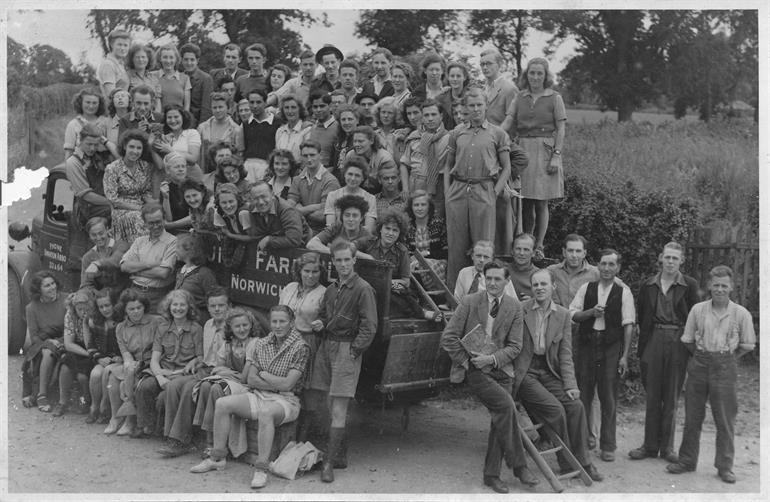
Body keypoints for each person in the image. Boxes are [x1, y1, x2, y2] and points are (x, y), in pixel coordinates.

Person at [441, 261, 539, 493]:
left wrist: (492, 360)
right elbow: (449, 338)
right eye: (489, 279)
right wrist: (467, 363)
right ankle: (519, 465)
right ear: (484, 280)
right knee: (506, 406)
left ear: (507, 281)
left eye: (498, 279)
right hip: (476, 370)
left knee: (500, 416)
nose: (493, 283)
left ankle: (491, 475)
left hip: (501, 370)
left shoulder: (515, 307)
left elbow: (515, 346)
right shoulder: (469, 302)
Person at [190, 305, 309, 490]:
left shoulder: (300, 347)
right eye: (274, 321)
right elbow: (251, 379)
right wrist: (272, 381)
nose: (277, 326)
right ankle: (217, 457)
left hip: (286, 400)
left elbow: (288, 385)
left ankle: (261, 469)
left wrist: (267, 376)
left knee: (266, 412)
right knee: (222, 403)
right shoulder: (263, 343)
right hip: (259, 394)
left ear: (291, 323)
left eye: (282, 321)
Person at [666, 266, 756, 484]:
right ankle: (687, 460)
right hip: (699, 364)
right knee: (692, 416)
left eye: (724, 285)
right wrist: (701, 356)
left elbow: (747, 344)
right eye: (716, 285)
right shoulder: (698, 310)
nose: (720, 289)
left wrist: (728, 359)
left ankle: (725, 466)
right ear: (709, 286)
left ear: (731, 287)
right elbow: (687, 340)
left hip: (726, 366)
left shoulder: (740, 313)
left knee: (725, 419)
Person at [513, 269, 604, 481]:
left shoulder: (562, 315)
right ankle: (567, 464)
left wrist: (571, 385)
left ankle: (584, 462)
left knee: (576, 406)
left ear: (553, 286)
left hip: (548, 370)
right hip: (526, 373)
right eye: (535, 285)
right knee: (555, 411)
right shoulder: (520, 310)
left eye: (544, 284)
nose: (539, 288)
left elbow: (565, 355)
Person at [308, 240, 377, 483]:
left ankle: (329, 463)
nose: (344, 264)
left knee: (338, 409)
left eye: (348, 259)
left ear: (354, 260)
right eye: (339, 260)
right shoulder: (331, 289)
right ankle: (340, 455)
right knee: (327, 403)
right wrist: (321, 324)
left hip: (346, 350)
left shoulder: (363, 288)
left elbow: (369, 327)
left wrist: (353, 351)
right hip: (327, 346)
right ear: (333, 262)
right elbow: (326, 316)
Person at [629, 242, 699, 464]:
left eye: (675, 259)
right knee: (653, 395)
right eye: (667, 258)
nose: (670, 262)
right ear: (660, 258)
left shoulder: (689, 285)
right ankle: (649, 446)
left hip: (678, 340)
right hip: (654, 340)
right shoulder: (648, 285)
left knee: (670, 395)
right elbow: (642, 316)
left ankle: (667, 448)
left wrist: (690, 346)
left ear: (681, 261)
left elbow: (694, 317)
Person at [569, 248, 636, 463]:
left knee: (608, 397)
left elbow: (628, 325)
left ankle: (608, 444)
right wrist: (591, 313)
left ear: (618, 268)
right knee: (584, 395)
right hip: (588, 345)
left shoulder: (623, 291)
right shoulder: (586, 288)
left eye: (611, 264)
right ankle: (584, 439)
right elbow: (572, 315)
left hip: (610, 347)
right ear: (598, 265)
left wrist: (624, 356)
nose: (607, 268)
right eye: (603, 264)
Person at [443, 87, 512, 290]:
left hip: (484, 190)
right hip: (458, 190)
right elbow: (447, 165)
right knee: (456, 245)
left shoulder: (497, 134)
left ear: (486, 105)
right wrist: (448, 192)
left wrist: (494, 192)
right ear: (465, 108)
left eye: (479, 105)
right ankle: (455, 294)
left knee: (483, 245)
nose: (475, 109)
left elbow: (506, 167)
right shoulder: (457, 132)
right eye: (471, 106)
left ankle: (486, 292)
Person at [503, 58, 566, 260]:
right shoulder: (520, 97)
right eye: (532, 73)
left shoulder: (554, 98)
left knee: (541, 201)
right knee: (525, 201)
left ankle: (539, 245)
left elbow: (562, 128)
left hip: (545, 151)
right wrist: (489, 133)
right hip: (523, 149)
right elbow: (508, 121)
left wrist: (556, 155)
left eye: (540, 73)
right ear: (526, 75)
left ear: (545, 76)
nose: (536, 77)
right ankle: (526, 242)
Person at [140, 290, 203, 453]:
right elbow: (154, 359)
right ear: (169, 307)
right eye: (175, 305)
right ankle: (148, 427)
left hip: (183, 373)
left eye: (183, 305)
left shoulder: (196, 329)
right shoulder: (162, 328)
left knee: (165, 396)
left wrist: (194, 361)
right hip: (164, 371)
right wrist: (160, 376)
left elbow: (201, 357)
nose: (178, 308)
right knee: (145, 386)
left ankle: (172, 438)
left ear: (189, 307)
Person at [193, 306, 260, 456]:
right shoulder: (228, 344)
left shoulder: (254, 343)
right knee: (205, 385)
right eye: (237, 326)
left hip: (247, 387)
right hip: (231, 383)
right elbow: (217, 369)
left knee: (217, 388)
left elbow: (245, 378)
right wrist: (230, 373)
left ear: (251, 325)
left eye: (245, 325)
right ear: (230, 327)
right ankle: (209, 439)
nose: (242, 329)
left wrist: (228, 372)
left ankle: (217, 445)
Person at [280, 252, 327, 442]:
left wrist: (322, 323)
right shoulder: (290, 287)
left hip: (308, 343)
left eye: (315, 272)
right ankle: (283, 436)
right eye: (306, 271)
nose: (310, 275)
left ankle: (302, 439)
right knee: (285, 387)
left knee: (307, 390)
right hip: (286, 341)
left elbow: (327, 318)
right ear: (299, 271)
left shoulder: (324, 292)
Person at [103, 289, 161, 436]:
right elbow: (125, 352)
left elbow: (158, 348)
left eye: (139, 308)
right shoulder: (121, 328)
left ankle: (129, 421)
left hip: (151, 363)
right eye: (131, 309)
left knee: (129, 378)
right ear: (125, 309)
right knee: (113, 377)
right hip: (133, 362)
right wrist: (129, 363)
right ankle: (115, 418)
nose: (135, 312)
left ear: (144, 307)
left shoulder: (156, 322)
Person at [364, 208, 439, 321]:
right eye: (387, 228)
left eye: (395, 230)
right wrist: (367, 257)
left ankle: (418, 311)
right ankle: (421, 312)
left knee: (400, 292)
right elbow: (350, 250)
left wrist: (388, 283)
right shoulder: (368, 244)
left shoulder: (402, 251)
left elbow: (406, 281)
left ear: (399, 233)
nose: (390, 233)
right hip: (368, 285)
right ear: (380, 229)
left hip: (391, 286)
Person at [21, 272, 67, 412]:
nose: (52, 287)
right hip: (43, 343)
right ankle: (41, 395)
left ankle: (40, 395)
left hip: (65, 340)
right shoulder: (31, 308)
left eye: (53, 283)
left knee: (48, 351)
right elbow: (34, 336)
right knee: (46, 352)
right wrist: (49, 342)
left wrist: (58, 341)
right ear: (38, 289)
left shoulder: (66, 300)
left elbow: (71, 329)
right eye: (47, 285)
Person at [119, 202, 178, 311]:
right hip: (134, 292)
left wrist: (136, 271)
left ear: (164, 219)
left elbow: (163, 273)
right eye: (151, 223)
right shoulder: (139, 241)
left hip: (158, 295)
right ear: (145, 223)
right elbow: (124, 266)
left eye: (158, 222)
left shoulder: (173, 242)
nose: (156, 226)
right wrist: (150, 264)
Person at [103, 129, 155, 242]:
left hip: (141, 207)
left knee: (156, 217)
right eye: (131, 147)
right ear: (125, 146)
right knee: (139, 218)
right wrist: (139, 209)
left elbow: (146, 191)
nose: (135, 151)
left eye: (139, 148)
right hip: (121, 211)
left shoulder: (145, 166)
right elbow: (113, 199)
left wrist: (154, 206)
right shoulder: (112, 168)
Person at [53, 291, 95, 417]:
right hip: (78, 348)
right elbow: (69, 344)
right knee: (65, 367)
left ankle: (86, 401)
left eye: (86, 308)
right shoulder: (70, 315)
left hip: (93, 347)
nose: (83, 311)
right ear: (74, 308)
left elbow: (91, 343)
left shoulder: (95, 316)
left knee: (82, 376)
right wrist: (87, 354)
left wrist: (85, 322)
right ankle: (63, 402)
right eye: (79, 309)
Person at [84, 288, 122, 424]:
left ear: (114, 304)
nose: (105, 309)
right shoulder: (94, 321)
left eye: (108, 305)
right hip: (103, 359)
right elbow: (90, 345)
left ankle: (105, 408)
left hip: (119, 359)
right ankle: (94, 406)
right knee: (95, 375)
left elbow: (127, 343)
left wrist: (121, 357)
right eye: (101, 307)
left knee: (108, 374)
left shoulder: (121, 321)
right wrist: (99, 358)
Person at [287, 140, 340, 234]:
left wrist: (300, 210)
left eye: (312, 155)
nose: (309, 159)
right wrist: (314, 207)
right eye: (305, 156)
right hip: (299, 228)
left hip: (322, 232)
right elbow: (290, 204)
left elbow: (322, 216)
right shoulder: (297, 179)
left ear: (320, 155)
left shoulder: (330, 181)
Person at [403, 99, 449, 209]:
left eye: (433, 114)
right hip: (415, 182)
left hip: (437, 184)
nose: (430, 119)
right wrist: (405, 188)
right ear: (422, 117)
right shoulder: (415, 136)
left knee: (436, 219)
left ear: (441, 116)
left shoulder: (448, 138)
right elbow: (404, 163)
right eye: (426, 115)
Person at [66, 124, 113, 226]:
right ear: (80, 140)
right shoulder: (73, 163)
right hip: (88, 210)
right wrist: (114, 203)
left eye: (96, 145)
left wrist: (105, 141)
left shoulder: (97, 156)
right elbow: (88, 196)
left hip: (104, 203)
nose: (92, 148)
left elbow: (120, 158)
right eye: (89, 144)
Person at [405, 190, 448, 293]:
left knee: (427, 265)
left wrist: (427, 254)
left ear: (429, 206)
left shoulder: (438, 224)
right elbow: (405, 251)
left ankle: (438, 296)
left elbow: (446, 252)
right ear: (411, 207)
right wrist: (415, 259)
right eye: (416, 205)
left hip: (437, 262)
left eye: (423, 205)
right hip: (414, 262)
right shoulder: (407, 227)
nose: (420, 208)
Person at [246, 181, 307, 250]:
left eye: (263, 196)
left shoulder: (287, 210)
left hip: (302, 247)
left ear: (272, 195)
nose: (260, 202)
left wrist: (269, 240)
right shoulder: (253, 208)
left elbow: (294, 240)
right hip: (276, 246)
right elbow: (256, 235)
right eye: (256, 198)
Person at [324, 156, 377, 233]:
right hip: (336, 238)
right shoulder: (332, 196)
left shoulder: (370, 199)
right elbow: (330, 226)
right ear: (344, 174)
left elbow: (368, 229)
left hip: (360, 240)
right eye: (350, 174)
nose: (353, 178)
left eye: (357, 175)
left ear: (363, 178)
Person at [174, 233, 218, 323]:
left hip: (198, 321)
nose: (175, 250)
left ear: (189, 251)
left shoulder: (204, 273)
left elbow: (215, 299)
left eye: (178, 247)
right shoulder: (181, 271)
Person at [308, 194, 374, 254]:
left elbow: (371, 258)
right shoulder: (336, 227)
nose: (350, 219)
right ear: (342, 216)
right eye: (347, 215)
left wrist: (337, 249)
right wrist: (333, 252)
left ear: (361, 218)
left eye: (355, 216)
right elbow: (311, 244)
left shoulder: (367, 235)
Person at [80, 216, 130, 293]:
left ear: (107, 230)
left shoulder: (121, 245)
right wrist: (99, 295)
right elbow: (86, 285)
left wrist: (97, 264)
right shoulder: (88, 257)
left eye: (101, 233)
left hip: (123, 296)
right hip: (102, 300)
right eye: (93, 235)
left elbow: (115, 261)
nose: (98, 237)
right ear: (89, 236)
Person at [197, 91, 244, 174]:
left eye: (221, 107)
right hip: (206, 171)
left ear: (228, 108)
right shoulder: (202, 128)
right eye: (214, 107)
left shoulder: (236, 130)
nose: (217, 110)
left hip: (227, 173)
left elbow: (238, 156)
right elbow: (199, 155)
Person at [152, 105, 203, 178]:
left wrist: (171, 151)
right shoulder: (163, 137)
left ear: (183, 117)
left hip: (191, 176)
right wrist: (151, 145)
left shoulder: (191, 133)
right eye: (169, 117)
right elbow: (161, 166)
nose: (173, 121)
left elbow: (193, 158)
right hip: (171, 178)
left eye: (176, 117)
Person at [242, 89, 282, 181]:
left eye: (258, 102)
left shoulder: (277, 123)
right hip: (248, 167)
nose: (255, 106)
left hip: (268, 167)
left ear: (265, 102)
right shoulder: (245, 124)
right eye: (251, 102)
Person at [344, 125, 397, 194]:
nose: (357, 144)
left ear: (371, 141)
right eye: (355, 141)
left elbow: (389, 182)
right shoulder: (350, 155)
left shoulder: (384, 157)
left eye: (361, 141)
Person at [63, 88, 114, 160]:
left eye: (94, 103)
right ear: (81, 103)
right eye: (88, 102)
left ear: (99, 104)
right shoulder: (73, 124)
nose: (91, 106)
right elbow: (69, 152)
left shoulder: (107, 122)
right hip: (81, 165)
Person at [480, 49, 519, 127]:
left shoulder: (509, 89)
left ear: (499, 64)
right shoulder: (482, 90)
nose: (484, 67)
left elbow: (514, 121)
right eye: (482, 64)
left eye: (489, 63)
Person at [180, 43, 214, 127]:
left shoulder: (206, 79)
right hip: (181, 123)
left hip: (197, 124)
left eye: (192, 60)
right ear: (181, 60)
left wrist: (202, 127)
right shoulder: (180, 77)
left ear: (197, 60)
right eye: (186, 59)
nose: (189, 63)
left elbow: (206, 108)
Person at [159, 152, 194, 233]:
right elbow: (168, 219)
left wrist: (172, 225)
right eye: (176, 167)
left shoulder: (194, 185)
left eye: (183, 166)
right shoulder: (165, 188)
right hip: (176, 232)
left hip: (195, 229)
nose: (181, 169)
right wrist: (166, 198)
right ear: (168, 170)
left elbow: (197, 216)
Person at [153, 44, 191, 112]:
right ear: (160, 59)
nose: (168, 61)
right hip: (158, 119)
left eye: (171, 57)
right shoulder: (152, 76)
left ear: (176, 59)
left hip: (178, 119)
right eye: (165, 57)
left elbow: (186, 106)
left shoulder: (185, 78)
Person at [274, 94, 313, 162]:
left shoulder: (307, 130)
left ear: (300, 109)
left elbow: (307, 158)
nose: (290, 111)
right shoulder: (280, 131)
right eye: (286, 107)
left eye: (293, 107)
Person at [126, 44, 162, 114]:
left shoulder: (153, 78)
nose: (140, 60)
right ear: (132, 59)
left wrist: (157, 117)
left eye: (143, 57)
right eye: (137, 57)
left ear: (148, 59)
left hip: (152, 118)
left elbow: (158, 100)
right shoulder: (126, 76)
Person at [307, 92, 340, 168]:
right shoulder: (312, 128)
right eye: (315, 107)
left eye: (322, 106)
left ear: (330, 106)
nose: (318, 110)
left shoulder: (338, 127)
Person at [97, 29, 131, 101]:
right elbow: (111, 94)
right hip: (113, 108)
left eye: (125, 45)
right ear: (112, 45)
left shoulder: (120, 65)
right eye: (119, 44)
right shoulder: (108, 64)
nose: (122, 48)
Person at [436, 61, 471, 130]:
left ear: (464, 77)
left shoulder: (471, 96)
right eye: (452, 76)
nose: (455, 79)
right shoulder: (440, 99)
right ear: (448, 77)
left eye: (458, 76)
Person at [508, 233, 540, 301]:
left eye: (526, 250)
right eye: (518, 249)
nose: (521, 253)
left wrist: (534, 302)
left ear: (533, 253)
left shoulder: (540, 275)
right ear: (512, 251)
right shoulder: (503, 271)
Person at [333, 104, 361, 177]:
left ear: (357, 120)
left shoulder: (361, 140)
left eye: (350, 119)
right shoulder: (338, 139)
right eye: (343, 119)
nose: (346, 122)